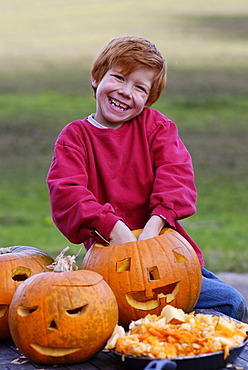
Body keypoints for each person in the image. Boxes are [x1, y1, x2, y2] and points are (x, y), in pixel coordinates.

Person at [47, 36, 247, 322]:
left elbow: (176, 176)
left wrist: (154, 229)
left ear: (149, 99)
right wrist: (114, 229)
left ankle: (174, 346)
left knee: (230, 304)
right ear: (96, 77)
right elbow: (67, 193)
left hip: (166, 257)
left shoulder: (157, 128)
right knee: (97, 321)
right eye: (119, 77)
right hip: (112, 265)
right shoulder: (74, 138)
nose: (126, 92)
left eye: (139, 87)